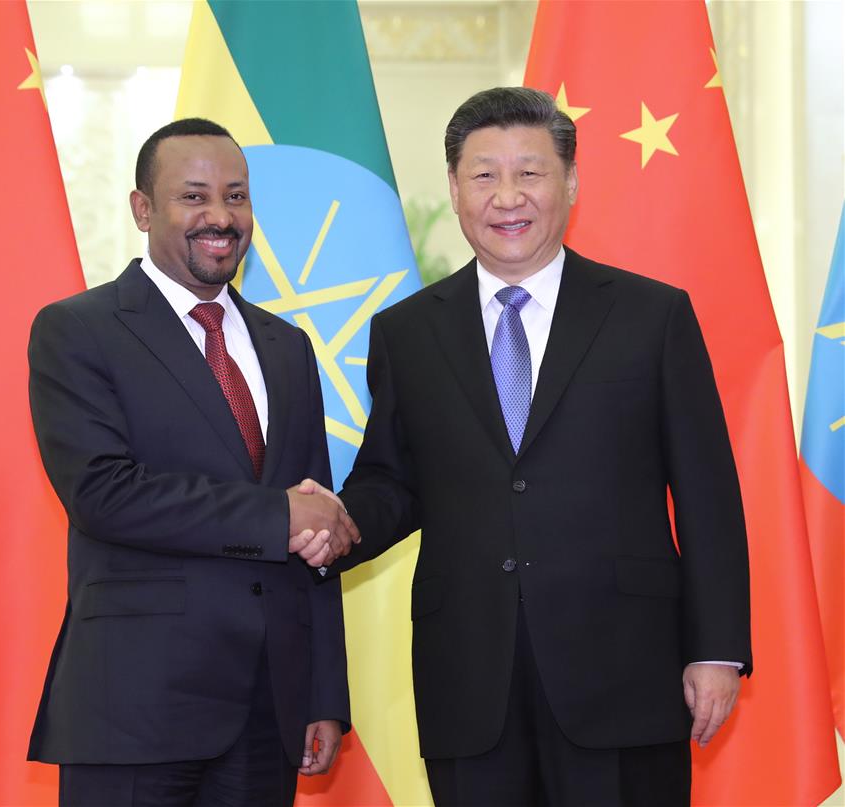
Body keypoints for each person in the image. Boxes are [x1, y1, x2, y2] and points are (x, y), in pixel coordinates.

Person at [301, 88, 751, 806]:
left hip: (624, 670)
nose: (507, 197)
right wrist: (335, 523)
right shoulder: (408, 332)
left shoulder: (651, 315)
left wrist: (716, 647)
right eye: (484, 175)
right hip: (470, 677)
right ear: (455, 189)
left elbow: (708, 495)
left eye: (530, 173)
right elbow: (395, 481)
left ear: (570, 182)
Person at [27, 118, 358, 806]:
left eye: (236, 196)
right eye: (194, 196)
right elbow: (103, 493)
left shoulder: (288, 346)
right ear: (142, 209)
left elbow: (314, 520)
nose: (221, 217)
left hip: (269, 712)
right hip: (133, 709)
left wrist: (322, 693)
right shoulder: (77, 329)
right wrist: (277, 516)